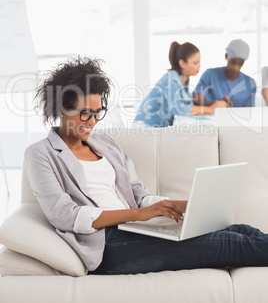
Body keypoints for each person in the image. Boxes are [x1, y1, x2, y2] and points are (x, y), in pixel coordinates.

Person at [25, 56, 268, 275]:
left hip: (135, 229)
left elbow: (138, 192)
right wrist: (138, 214)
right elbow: (65, 216)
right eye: (85, 113)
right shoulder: (40, 154)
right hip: (107, 246)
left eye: (99, 112)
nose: (93, 121)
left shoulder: (105, 143)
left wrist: (169, 205)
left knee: (239, 229)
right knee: (225, 243)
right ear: (61, 108)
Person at [134, 42, 227, 127]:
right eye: (195, 63)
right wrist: (211, 109)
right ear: (182, 63)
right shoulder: (171, 79)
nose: (199, 66)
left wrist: (214, 104)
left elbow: (188, 104)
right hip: (145, 128)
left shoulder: (184, 80)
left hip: (159, 130)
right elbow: (179, 108)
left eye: (199, 62)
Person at [193, 39, 256, 108]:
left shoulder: (249, 83)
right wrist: (216, 104)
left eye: (240, 64)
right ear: (226, 56)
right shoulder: (209, 75)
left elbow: (247, 112)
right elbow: (196, 102)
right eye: (233, 62)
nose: (235, 68)